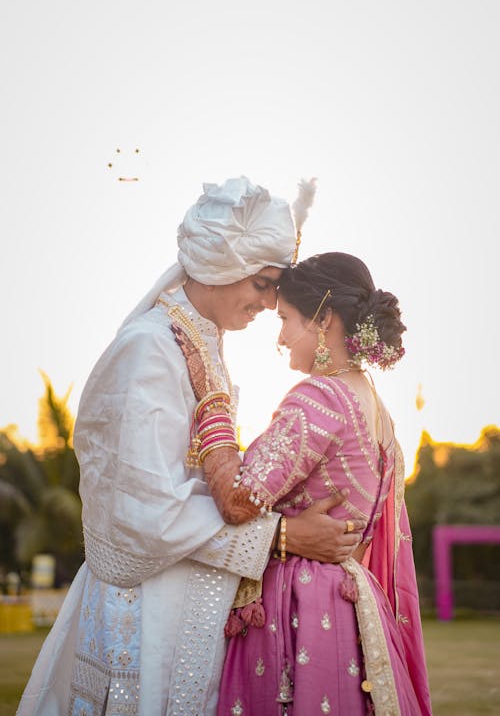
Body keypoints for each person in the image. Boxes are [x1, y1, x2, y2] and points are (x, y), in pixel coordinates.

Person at [17, 178, 365, 716]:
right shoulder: (148, 349)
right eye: (265, 283)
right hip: (147, 614)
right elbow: (142, 510)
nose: (271, 302)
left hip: (198, 605)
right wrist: (282, 537)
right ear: (225, 268)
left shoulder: (203, 345)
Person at [175, 251, 432, 715]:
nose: (280, 336)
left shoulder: (321, 397)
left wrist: (212, 407)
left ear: (324, 318)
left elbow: (237, 501)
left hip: (300, 610)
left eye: (287, 318)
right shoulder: (377, 409)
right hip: (353, 603)